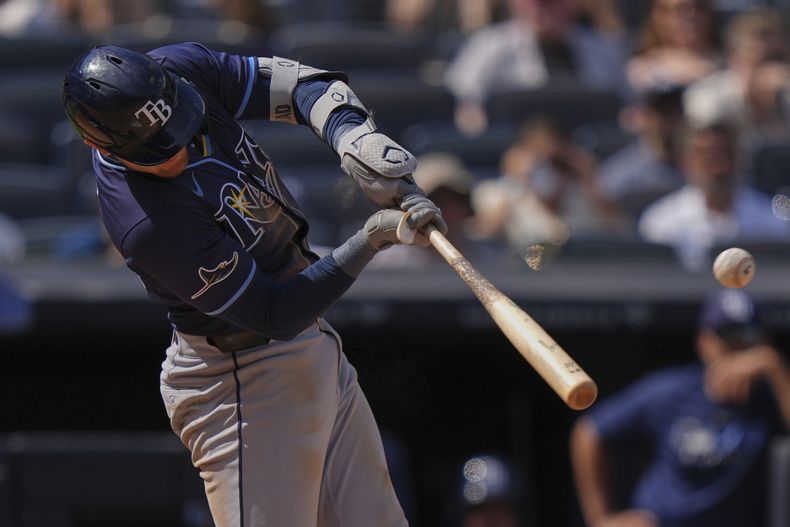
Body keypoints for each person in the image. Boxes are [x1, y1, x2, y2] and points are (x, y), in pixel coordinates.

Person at [61, 42, 448, 526]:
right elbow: (274, 314)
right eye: (158, 149)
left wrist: (353, 137)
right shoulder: (145, 222)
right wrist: (369, 240)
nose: (178, 148)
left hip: (309, 345)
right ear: (97, 144)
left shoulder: (177, 70)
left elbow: (304, 85)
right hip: (239, 379)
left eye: (179, 126)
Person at [570, 288, 790, 527]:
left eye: (748, 337)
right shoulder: (671, 391)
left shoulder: (769, 397)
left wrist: (774, 366)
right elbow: (589, 432)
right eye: (728, 337)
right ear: (703, 341)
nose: (738, 348)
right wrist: (600, 518)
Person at [637, 122, 790, 270]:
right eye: (705, 155)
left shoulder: (772, 219)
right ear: (685, 162)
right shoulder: (661, 222)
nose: (718, 166)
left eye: (725, 153)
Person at [599, 84, 686, 222]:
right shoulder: (621, 173)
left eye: (677, 113)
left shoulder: (698, 169)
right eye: (664, 113)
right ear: (647, 117)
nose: (671, 122)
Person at [626, 0, 720, 97]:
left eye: (699, 7)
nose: (691, 15)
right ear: (659, 16)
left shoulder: (730, 60)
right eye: (680, 9)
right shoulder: (642, 69)